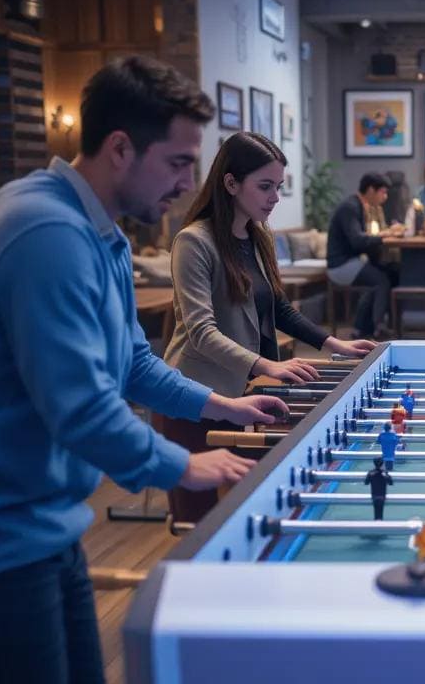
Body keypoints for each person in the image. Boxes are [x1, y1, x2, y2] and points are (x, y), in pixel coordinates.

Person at [0, 56, 291, 684]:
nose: (188, 184)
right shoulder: (47, 232)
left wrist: (224, 403)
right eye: (177, 162)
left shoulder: (94, 226)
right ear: (120, 148)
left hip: (36, 523)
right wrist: (184, 465)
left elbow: (131, 361)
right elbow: (81, 410)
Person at [159, 131, 375, 522]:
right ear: (231, 183)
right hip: (195, 398)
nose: (274, 196)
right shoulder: (193, 242)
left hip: (247, 394)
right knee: (199, 524)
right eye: (265, 186)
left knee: (251, 511)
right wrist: (267, 365)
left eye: (278, 186)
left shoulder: (260, 235)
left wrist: (335, 344)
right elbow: (201, 333)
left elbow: (278, 308)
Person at [326, 172, 404, 339]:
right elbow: (357, 241)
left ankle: (362, 328)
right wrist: (385, 235)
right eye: (382, 192)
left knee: (389, 272)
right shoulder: (351, 207)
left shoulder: (360, 206)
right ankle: (378, 328)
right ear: (370, 190)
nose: (385, 196)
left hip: (351, 261)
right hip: (340, 265)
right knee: (381, 280)